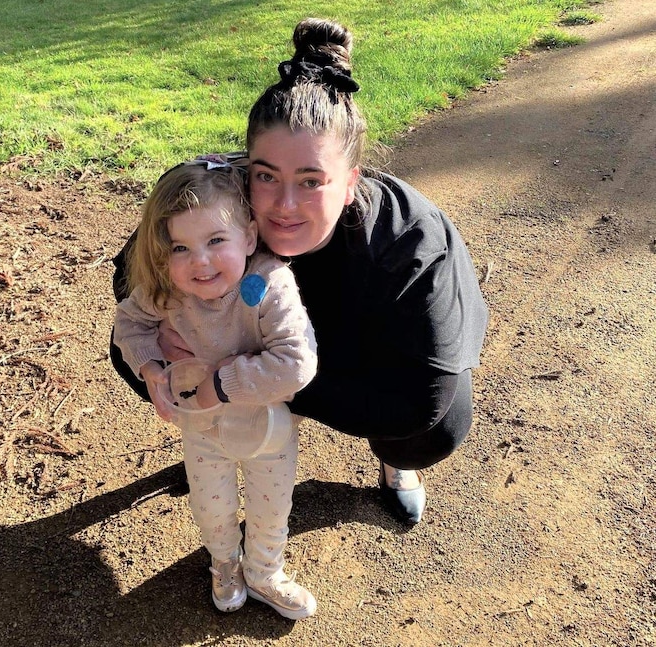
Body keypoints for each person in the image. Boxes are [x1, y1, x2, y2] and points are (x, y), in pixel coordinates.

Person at [112, 17, 488, 526]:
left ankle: (395, 465)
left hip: (358, 350)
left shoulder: (411, 242)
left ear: (351, 181)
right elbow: (132, 277)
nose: (284, 205)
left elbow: (421, 401)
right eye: (266, 175)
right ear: (248, 165)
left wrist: (251, 375)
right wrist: (172, 358)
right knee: (145, 352)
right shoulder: (220, 199)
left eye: (311, 181)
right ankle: (221, 435)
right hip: (256, 338)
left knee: (434, 432)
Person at [112, 157, 319, 619]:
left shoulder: (268, 285)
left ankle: (266, 572)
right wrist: (149, 368)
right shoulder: (166, 290)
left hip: (270, 427)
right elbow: (129, 323)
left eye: (216, 241)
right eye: (180, 248)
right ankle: (224, 563)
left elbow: (297, 364)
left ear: (248, 236)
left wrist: (219, 385)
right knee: (212, 505)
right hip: (201, 428)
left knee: (271, 507)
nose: (199, 261)